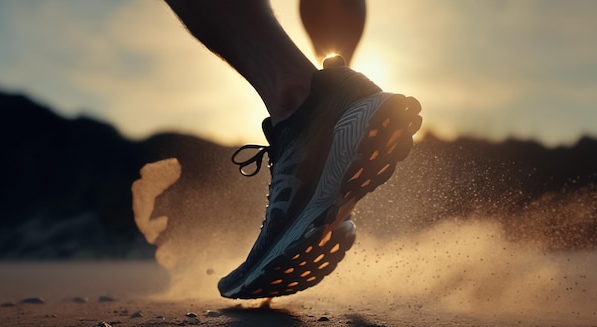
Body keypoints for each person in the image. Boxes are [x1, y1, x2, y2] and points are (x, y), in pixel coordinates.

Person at [163, 0, 422, 299]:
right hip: (345, 103)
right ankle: (341, 106)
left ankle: (297, 101)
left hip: (312, 105)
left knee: (296, 94)